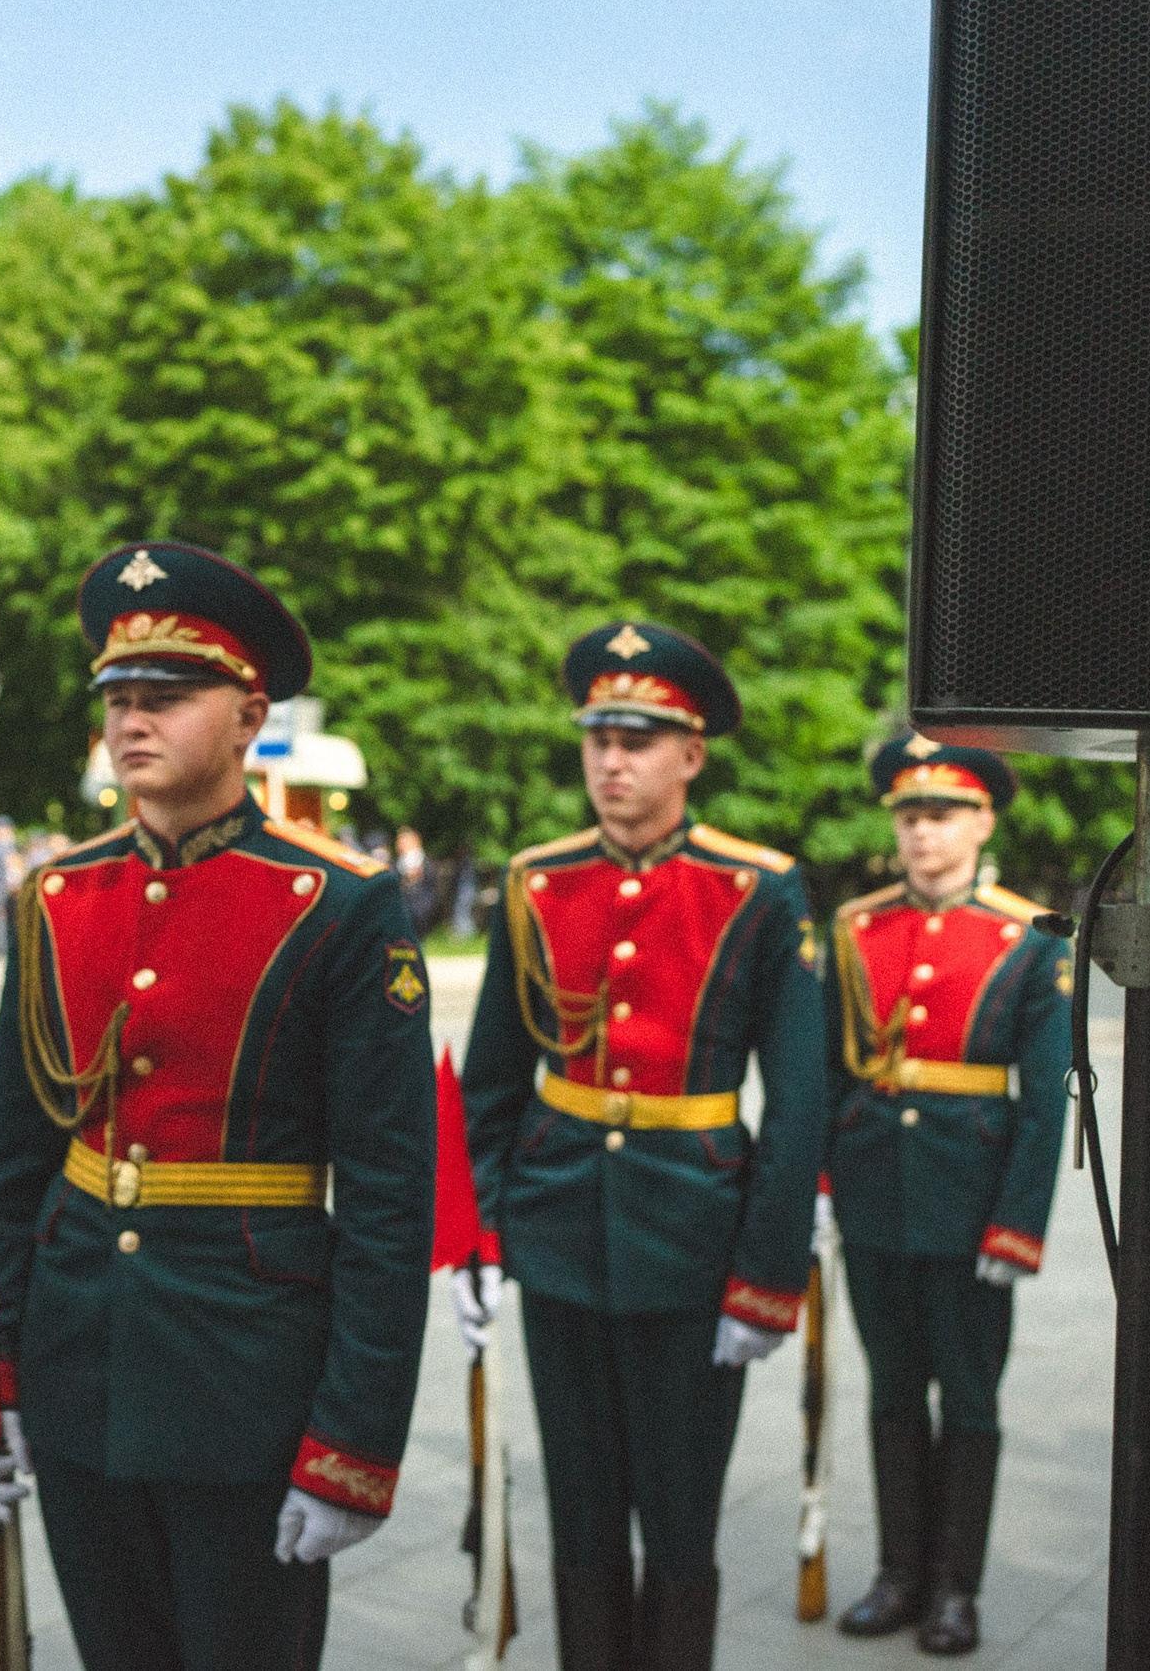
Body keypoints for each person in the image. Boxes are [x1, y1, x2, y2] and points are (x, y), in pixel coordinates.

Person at [0, 542, 437, 1671]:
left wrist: (353, 1442)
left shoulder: (339, 906)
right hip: (80, 1370)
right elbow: (12, 1160)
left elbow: (387, 1198)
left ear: (249, 717)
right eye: (118, 697)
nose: (133, 721)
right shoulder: (59, 895)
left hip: (249, 1387)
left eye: (168, 696)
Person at [460, 621, 826, 1671]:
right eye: (598, 739)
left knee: (677, 1522)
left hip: (693, 1243)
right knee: (579, 1518)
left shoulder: (758, 889)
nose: (611, 761)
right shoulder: (536, 882)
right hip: (558, 1236)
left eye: (638, 741)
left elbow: (798, 1102)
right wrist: (479, 1234)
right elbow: (491, 1083)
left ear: (691, 754)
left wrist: (766, 1279)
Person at [825, 734, 1067, 1655]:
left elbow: (1044, 1103)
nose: (923, 833)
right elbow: (828, 1075)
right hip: (873, 1195)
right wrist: (820, 1190)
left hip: (971, 1202)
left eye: (942, 815)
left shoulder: (1028, 935)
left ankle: (956, 1587)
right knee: (892, 1392)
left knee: (967, 1399)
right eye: (910, 817)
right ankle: (898, 1575)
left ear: (982, 823)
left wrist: (1017, 1225)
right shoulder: (857, 928)